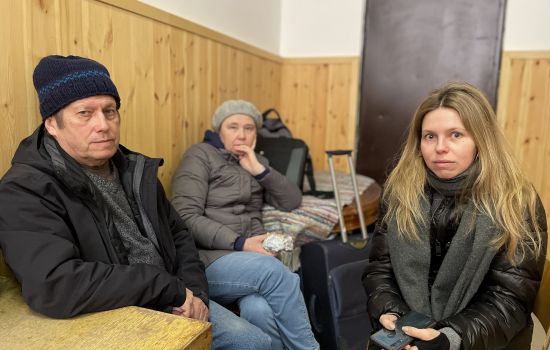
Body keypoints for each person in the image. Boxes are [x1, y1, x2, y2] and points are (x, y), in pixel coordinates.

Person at [0, 55, 271, 350]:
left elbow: (179, 235)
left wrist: (195, 295)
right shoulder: (26, 187)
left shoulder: (134, 170)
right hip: (109, 310)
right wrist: (168, 289)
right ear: (52, 123)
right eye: (84, 113)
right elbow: (54, 284)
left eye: (110, 111)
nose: (103, 125)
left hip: (173, 295)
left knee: (255, 340)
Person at [362, 81, 547, 350]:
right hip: (411, 333)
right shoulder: (400, 192)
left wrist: (448, 339)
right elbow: (380, 268)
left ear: (481, 140)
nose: (440, 148)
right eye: (430, 136)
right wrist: (391, 314)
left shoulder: (517, 202)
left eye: (456, 135)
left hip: (482, 341)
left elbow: (509, 299)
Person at [171, 99, 320, 350]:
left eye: (249, 128)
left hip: (247, 261)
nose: (242, 134)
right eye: (233, 127)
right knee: (274, 271)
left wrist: (259, 170)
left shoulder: (255, 160)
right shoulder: (200, 155)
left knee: (259, 308)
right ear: (219, 130)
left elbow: (292, 200)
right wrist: (240, 243)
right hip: (207, 259)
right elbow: (185, 215)